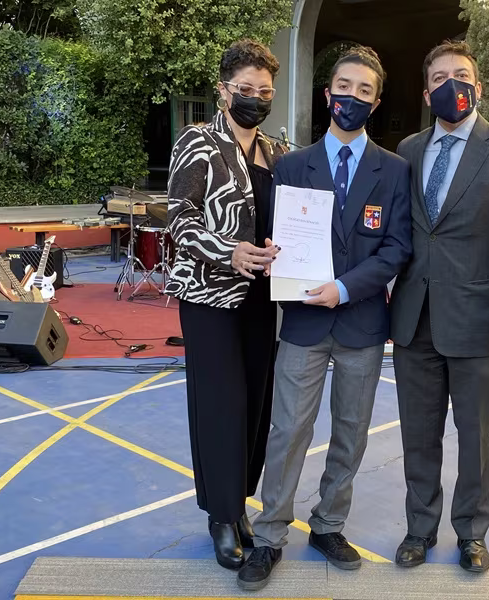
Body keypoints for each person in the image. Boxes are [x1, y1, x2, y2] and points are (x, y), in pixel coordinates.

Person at [237, 46, 412, 591]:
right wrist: (273, 257)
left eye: (364, 91)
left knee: (351, 432)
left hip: (361, 322)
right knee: (288, 429)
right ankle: (269, 534)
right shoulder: (291, 166)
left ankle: (329, 524)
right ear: (327, 93)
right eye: (344, 87)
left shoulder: (395, 171)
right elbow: (275, 237)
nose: (351, 97)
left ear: (375, 103)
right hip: (302, 322)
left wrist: (344, 288)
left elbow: (397, 248)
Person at [390, 40, 489, 572]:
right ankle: (419, 528)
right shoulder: (408, 150)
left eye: (460, 74)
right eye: (439, 77)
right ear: (426, 91)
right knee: (418, 435)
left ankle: (471, 533)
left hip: (478, 321)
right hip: (414, 319)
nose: (449, 83)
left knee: (475, 437)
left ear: (478, 86)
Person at [165, 39, 287, 571]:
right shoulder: (198, 142)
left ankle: (239, 504)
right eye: (245, 89)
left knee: (256, 403)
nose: (255, 98)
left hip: (262, 295)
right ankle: (220, 515)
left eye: (264, 90)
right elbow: (180, 217)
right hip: (208, 295)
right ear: (223, 91)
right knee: (221, 403)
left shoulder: (278, 153)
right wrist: (227, 251)